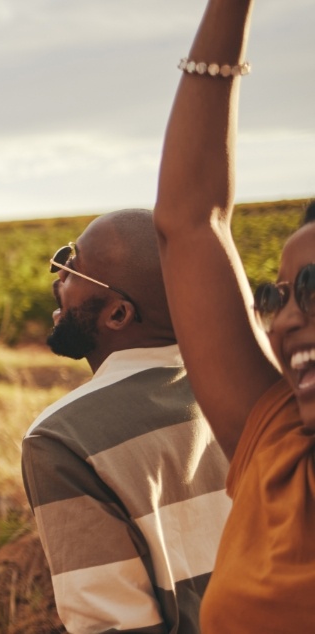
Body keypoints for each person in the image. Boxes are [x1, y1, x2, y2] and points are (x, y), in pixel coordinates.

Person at [153, 0, 315, 630]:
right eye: (275, 297)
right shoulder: (277, 452)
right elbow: (191, 223)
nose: (285, 321)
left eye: (314, 288)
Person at [21, 209, 230, 633]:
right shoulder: (245, 392)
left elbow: (112, 624)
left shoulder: (61, 439)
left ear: (118, 315)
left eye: (71, 267)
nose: (56, 276)